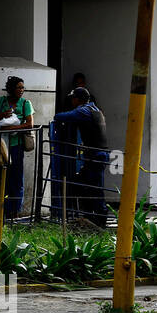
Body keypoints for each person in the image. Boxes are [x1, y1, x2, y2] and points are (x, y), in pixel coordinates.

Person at [55, 87, 109, 226]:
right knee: (86, 184)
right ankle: (89, 216)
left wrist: (56, 116)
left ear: (78, 99)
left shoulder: (83, 111)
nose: (72, 101)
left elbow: (63, 116)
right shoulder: (95, 109)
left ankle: (99, 219)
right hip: (99, 153)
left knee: (95, 188)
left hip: (95, 155)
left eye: (73, 98)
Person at [0, 76, 34, 220]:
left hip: (16, 146)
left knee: (16, 178)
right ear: (11, 89)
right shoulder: (1, 101)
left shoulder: (26, 103)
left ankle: (14, 211)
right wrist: (1, 115)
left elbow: (30, 124)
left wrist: (13, 128)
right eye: (18, 87)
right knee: (1, 177)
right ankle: (1, 210)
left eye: (23, 87)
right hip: (1, 145)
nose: (21, 90)